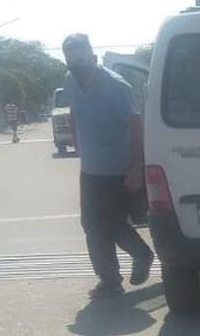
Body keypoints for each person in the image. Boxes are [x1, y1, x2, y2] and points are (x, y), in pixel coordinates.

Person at [62, 33, 153, 298]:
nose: (77, 67)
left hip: (118, 170)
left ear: (92, 57)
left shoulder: (116, 86)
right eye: (71, 61)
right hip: (90, 169)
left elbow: (135, 125)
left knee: (111, 224)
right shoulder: (71, 80)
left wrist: (136, 167)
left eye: (81, 60)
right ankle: (109, 279)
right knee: (91, 225)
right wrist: (75, 139)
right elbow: (74, 110)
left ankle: (142, 254)